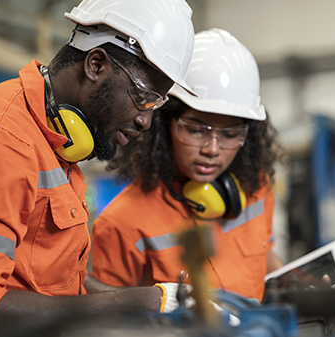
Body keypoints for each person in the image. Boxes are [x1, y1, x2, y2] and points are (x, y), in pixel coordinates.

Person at [0, 0, 196, 335]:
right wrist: (139, 303)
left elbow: (59, 283)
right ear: (96, 65)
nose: (146, 121)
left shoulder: (61, 143)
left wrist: (163, 297)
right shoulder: (2, 139)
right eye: (143, 97)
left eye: (157, 104)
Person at [91, 28, 285, 307]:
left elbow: (263, 256)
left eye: (230, 135)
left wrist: (300, 282)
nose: (213, 149)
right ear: (162, 124)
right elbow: (111, 318)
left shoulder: (257, 189)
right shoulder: (121, 225)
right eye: (196, 130)